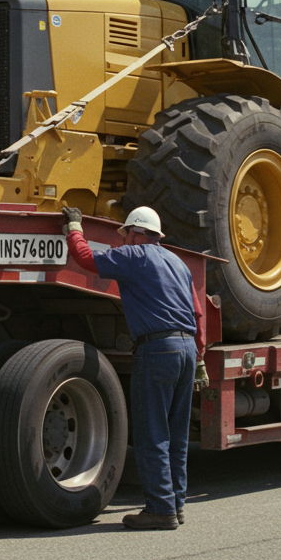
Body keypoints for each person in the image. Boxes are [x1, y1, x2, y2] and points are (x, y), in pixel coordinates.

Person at [62, 205, 209, 531]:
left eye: (125, 233)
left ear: (134, 232)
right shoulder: (178, 263)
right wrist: (199, 357)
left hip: (158, 349)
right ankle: (176, 505)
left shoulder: (134, 256)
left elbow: (86, 259)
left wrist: (75, 227)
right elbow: (199, 314)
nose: (123, 239)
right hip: (186, 350)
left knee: (152, 433)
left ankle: (160, 509)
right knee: (176, 436)